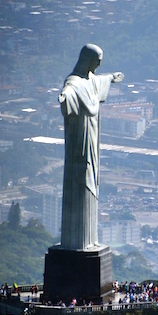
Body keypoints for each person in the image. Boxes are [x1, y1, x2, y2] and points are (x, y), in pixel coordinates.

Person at [59, 44, 123, 250]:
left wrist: (111, 77)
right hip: (80, 143)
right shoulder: (74, 82)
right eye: (97, 60)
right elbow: (68, 91)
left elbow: (98, 80)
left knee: (92, 184)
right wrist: (65, 97)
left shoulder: (90, 80)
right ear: (87, 59)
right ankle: (77, 242)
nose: (99, 64)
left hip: (92, 141)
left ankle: (89, 240)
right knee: (81, 182)